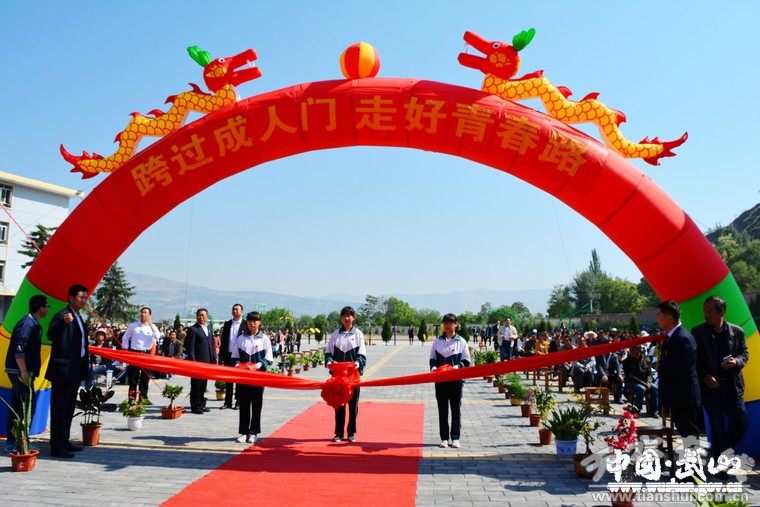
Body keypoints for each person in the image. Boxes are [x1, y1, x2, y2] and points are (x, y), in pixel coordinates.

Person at [692, 295, 750, 456]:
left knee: (741, 423)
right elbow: (694, 359)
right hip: (710, 389)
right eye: (705, 311)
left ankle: (724, 452)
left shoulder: (737, 332)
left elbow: (745, 353)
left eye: (710, 311)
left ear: (722, 312)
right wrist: (705, 376)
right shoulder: (698, 332)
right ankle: (721, 461)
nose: (706, 314)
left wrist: (736, 362)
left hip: (733, 386)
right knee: (716, 428)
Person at [46, 284, 90, 459]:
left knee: (69, 408)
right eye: (81, 297)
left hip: (75, 368)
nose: (84, 300)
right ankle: (57, 446)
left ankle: (64, 441)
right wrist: (62, 323)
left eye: (86, 297)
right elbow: (50, 334)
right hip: (62, 370)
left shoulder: (79, 317)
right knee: (59, 409)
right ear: (71, 298)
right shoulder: (62, 315)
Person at [5, 294, 48, 452]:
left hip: (25, 371)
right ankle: (21, 443)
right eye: (47, 306)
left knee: (17, 405)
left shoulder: (34, 324)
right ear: (41, 308)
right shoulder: (26, 323)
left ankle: (13, 442)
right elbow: (18, 347)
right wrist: (23, 371)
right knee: (28, 405)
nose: (48, 309)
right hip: (19, 371)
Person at [657, 300, 701, 437]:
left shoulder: (682, 338)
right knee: (684, 430)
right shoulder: (673, 336)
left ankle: (693, 452)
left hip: (684, 395)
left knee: (689, 432)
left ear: (669, 317)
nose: (657, 319)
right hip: (678, 396)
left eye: (659, 315)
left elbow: (678, 368)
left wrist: (659, 368)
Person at [325, 306, 366, 442]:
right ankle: (339, 433)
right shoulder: (335, 334)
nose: (346, 318)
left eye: (349, 315)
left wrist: (358, 363)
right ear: (341, 318)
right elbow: (328, 353)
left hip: (353, 377)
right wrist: (329, 362)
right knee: (338, 404)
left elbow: (362, 355)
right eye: (344, 316)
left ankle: (351, 432)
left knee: (353, 406)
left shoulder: (358, 334)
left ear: (353, 318)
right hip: (338, 378)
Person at [430, 313, 471, 449]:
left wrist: (457, 367)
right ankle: (444, 438)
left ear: (456, 324)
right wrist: (434, 367)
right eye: (445, 323)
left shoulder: (461, 341)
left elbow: (466, 360)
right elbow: (432, 358)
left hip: (456, 380)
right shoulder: (438, 341)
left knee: (455, 409)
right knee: (442, 409)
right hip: (440, 380)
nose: (447, 325)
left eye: (450, 323)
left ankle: (455, 438)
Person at [234, 312, 273, 444]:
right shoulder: (241, 339)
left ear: (259, 322)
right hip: (244, 377)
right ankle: (244, 432)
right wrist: (238, 365)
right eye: (250, 321)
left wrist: (259, 365)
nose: (252, 323)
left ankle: (254, 432)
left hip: (258, 377)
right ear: (247, 322)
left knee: (256, 405)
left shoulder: (264, 339)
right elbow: (235, 356)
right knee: (244, 405)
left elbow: (269, 358)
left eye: (255, 321)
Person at [122, 307, 160, 401]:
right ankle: (132, 398)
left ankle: (143, 398)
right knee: (133, 377)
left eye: (146, 313)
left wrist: (150, 324)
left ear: (149, 315)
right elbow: (125, 337)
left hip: (146, 353)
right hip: (135, 353)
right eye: (142, 312)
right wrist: (126, 349)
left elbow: (157, 336)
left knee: (145, 377)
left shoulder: (152, 327)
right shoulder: (133, 326)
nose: (143, 314)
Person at [184, 308, 217, 414]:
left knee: (203, 384)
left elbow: (211, 344)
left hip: (207, 362)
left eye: (203, 315)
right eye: (199, 315)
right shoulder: (193, 329)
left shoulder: (209, 328)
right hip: (197, 362)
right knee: (196, 385)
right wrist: (193, 362)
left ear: (207, 316)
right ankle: (195, 406)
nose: (201, 317)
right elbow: (190, 348)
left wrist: (214, 358)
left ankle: (202, 404)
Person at [219, 304, 245, 410]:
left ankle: (238, 401)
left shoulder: (245, 324)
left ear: (241, 311)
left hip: (240, 357)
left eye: (237, 309)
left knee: (239, 380)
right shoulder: (228, 324)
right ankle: (227, 402)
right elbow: (224, 341)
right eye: (233, 309)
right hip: (228, 355)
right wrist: (221, 357)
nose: (235, 311)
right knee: (228, 380)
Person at [622, 345, 659, 416]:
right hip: (632, 382)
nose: (631, 352)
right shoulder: (627, 361)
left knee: (654, 388)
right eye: (630, 350)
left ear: (638, 351)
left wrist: (648, 381)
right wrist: (644, 384)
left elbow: (649, 373)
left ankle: (654, 410)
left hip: (645, 381)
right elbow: (631, 376)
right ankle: (636, 410)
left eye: (633, 350)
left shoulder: (646, 360)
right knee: (641, 389)